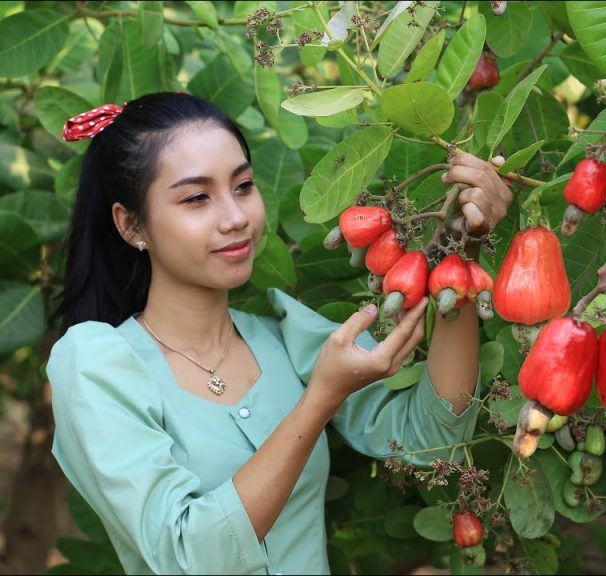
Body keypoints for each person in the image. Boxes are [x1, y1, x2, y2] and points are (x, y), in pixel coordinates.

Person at [46, 91, 513, 574]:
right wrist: (321, 398)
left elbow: (436, 436)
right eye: (197, 197)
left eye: (243, 186)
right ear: (130, 224)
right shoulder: (95, 366)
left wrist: (463, 249)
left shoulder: (285, 338)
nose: (236, 218)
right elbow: (189, 555)